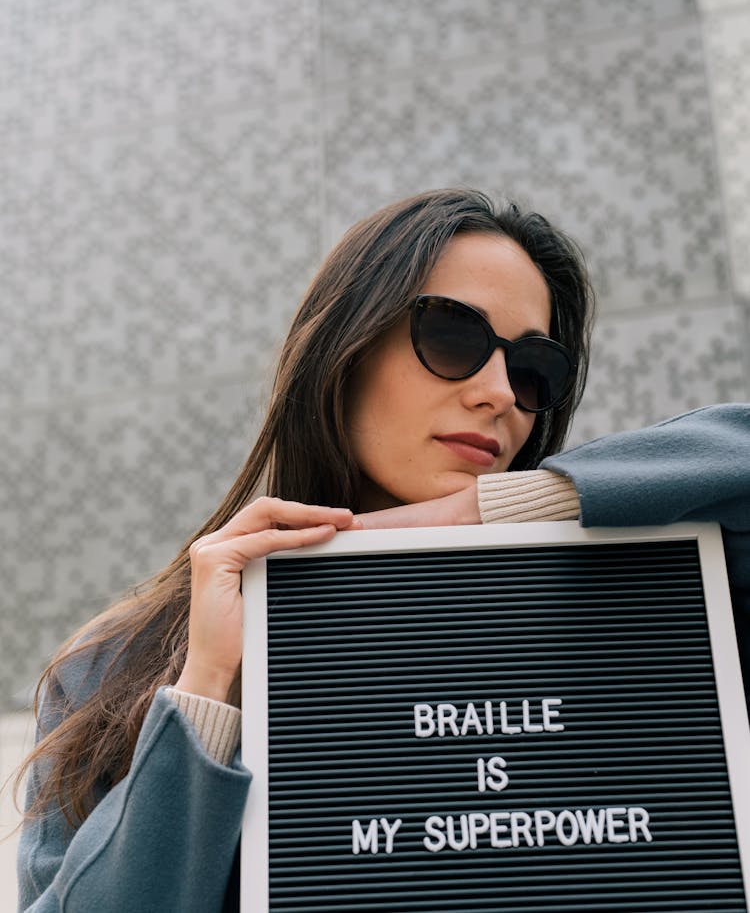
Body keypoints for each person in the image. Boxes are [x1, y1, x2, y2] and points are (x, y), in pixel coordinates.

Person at [14, 189, 750, 913]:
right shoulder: (108, 672)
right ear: (346, 346)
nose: (498, 392)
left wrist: (492, 512)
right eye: (453, 336)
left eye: (533, 370)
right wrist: (208, 688)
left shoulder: (643, 596)